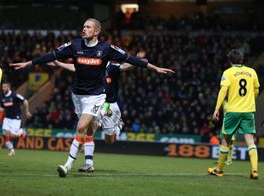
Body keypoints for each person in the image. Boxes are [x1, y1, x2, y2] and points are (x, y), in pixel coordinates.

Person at [10, 18, 175, 177]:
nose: (84, 29)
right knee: (87, 131)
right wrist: (28, 63)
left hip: (96, 96)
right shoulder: (74, 45)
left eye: (88, 27)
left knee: (81, 127)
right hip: (77, 95)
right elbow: (52, 55)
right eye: (84, 26)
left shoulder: (106, 48)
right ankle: (88, 162)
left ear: (97, 31)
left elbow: (131, 60)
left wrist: (156, 68)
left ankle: (67, 165)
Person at [47, 59, 138, 172]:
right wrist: (60, 63)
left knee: (109, 141)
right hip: (96, 101)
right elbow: (76, 67)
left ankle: (117, 126)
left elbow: (126, 66)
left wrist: (137, 61)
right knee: (89, 130)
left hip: (110, 105)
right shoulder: (93, 67)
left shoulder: (112, 68)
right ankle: (88, 164)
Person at [207, 49, 260, 179]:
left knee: (226, 140)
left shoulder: (228, 72)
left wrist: (216, 108)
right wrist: (250, 101)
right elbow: (256, 90)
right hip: (249, 111)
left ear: (229, 60)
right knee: (250, 141)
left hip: (233, 111)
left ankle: (219, 170)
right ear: (241, 59)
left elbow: (223, 91)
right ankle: (254, 170)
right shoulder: (251, 71)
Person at [0, 82, 32, 156]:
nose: (3, 88)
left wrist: (27, 112)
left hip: (15, 118)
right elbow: (2, 107)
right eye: (3, 87)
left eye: (5, 87)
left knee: (12, 135)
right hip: (7, 118)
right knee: (6, 133)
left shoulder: (15, 95)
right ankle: (11, 150)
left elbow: (25, 101)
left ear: (8, 87)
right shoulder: (2, 96)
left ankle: (21, 131)